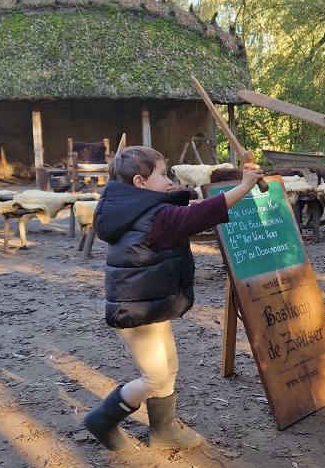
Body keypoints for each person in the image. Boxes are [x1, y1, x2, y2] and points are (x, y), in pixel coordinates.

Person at [83, 146, 265, 451]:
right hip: (136, 310)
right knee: (154, 377)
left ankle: (163, 432)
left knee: (168, 367)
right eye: (163, 174)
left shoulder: (129, 208)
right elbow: (200, 214)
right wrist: (244, 186)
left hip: (152, 304)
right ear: (140, 183)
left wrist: (237, 176)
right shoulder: (155, 217)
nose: (170, 181)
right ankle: (102, 419)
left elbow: (186, 202)